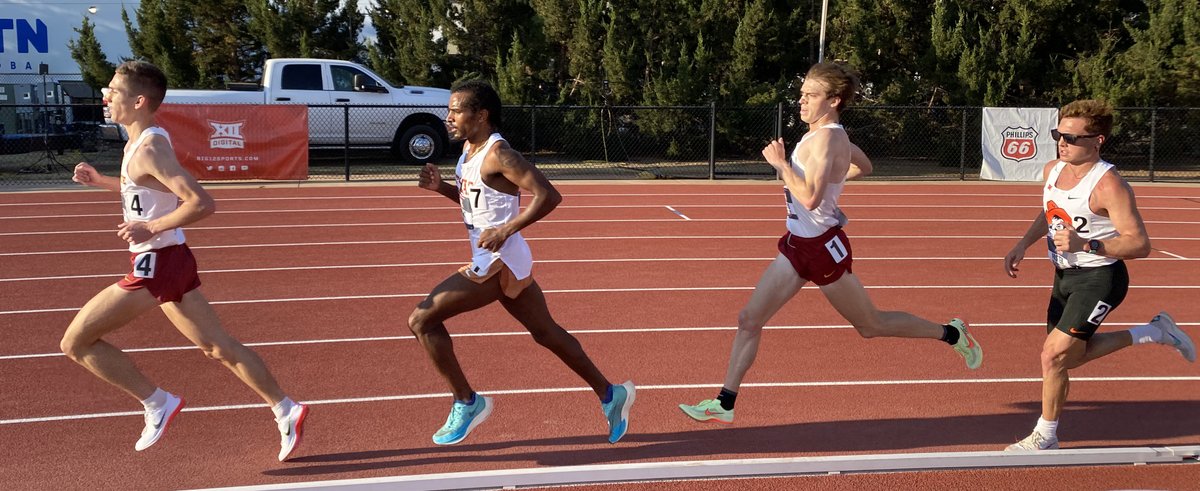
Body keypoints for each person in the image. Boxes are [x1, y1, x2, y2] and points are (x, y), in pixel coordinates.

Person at [679, 62, 982, 424]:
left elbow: (808, 198)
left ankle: (951, 333)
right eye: (802, 93)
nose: (802, 101)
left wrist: (781, 165)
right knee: (749, 319)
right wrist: (838, 180)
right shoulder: (829, 136)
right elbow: (864, 166)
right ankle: (725, 402)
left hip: (822, 248)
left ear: (834, 99)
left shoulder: (826, 139)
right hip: (796, 245)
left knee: (871, 325)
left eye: (811, 95)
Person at [63, 61, 308, 462]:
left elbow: (201, 202)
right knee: (218, 347)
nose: (106, 96)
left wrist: (150, 228)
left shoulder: (152, 147)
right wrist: (103, 182)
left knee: (75, 342)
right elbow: (143, 191)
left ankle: (157, 402)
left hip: (156, 264)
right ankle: (286, 408)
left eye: (113, 90)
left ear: (139, 101)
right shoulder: (138, 143)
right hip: (171, 260)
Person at [412, 80, 635, 445]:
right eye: (448, 110)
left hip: (498, 261)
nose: (447, 117)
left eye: (455, 110)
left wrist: (507, 229)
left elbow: (549, 195)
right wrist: (442, 189)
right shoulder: (469, 150)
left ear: (481, 115)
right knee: (546, 333)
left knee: (422, 319)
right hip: (507, 258)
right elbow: (479, 205)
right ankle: (611, 395)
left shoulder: (501, 154)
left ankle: (467, 402)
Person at [1001, 99, 1195, 451]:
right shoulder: (1052, 170)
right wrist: (1023, 243)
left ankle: (1045, 435)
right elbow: (1050, 212)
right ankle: (1154, 332)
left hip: (1100, 278)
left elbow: (1140, 244)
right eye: (1058, 134)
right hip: (1063, 277)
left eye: (1072, 138)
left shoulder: (1109, 185)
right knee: (1069, 358)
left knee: (1053, 356)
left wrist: (1086, 244)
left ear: (1098, 140)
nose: (1063, 142)